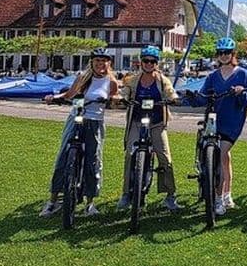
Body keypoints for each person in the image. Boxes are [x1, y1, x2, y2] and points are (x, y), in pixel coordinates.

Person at [39, 47, 118, 217]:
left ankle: (90, 203)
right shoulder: (83, 77)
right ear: (92, 62)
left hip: (95, 122)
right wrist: (54, 99)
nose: (100, 64)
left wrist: (115, 100)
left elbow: (114, 100)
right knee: (63, 157)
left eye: (103, 60)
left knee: (93, 160)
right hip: (76, 117)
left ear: (108, 63)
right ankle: (52, 201)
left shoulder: (111, 82)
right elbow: (69, 95)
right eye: (97, 60)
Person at [117, 45, 182, 212]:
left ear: (156, 63)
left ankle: (170, 195)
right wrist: (122, 97)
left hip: (157, 123)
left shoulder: (162, 80)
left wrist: (173, 98)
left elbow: (170, 91)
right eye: (145, 60)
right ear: (141, 62)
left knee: (165, 157)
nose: (148, 64)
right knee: (130, 155)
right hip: (137, 122)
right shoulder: (133, 80)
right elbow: (124, 91)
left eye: (152, 61)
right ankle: (126, 194)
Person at [200, 37, 247, 216]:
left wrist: (241, 92)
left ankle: (219, 198)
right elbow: (202, 96)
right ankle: (227, 193)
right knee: (222, 158)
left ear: (233, 54)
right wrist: (189, 96)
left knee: (222, 154)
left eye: (227, 53)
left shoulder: (242, 74)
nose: (224, 56)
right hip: (214, 120)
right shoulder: (212, 76)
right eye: (221, 52)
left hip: (232, 121)